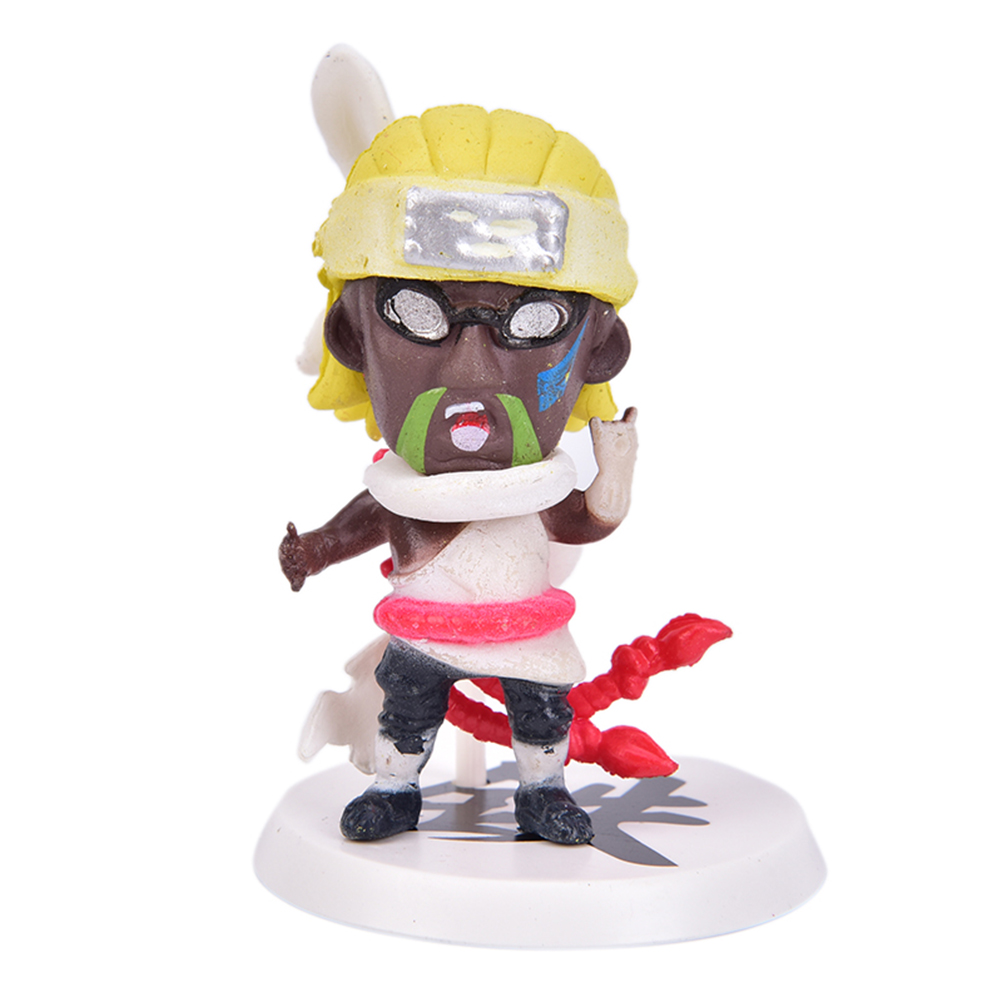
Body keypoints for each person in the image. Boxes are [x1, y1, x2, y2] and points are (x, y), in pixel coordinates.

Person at [280, 105, 639, 844]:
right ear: (350, 337)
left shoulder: (536, 490)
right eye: (418, 317)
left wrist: (617, 469)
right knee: (407, 709)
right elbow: (367, 518)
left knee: (541, 711)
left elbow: (583, 520)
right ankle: (394, 788)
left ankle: (543, 791)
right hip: (423, 630)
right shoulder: (402, 492)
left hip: (525, 628)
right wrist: (316, 547)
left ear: (600, 352)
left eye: (532, 324)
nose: (472, 373)